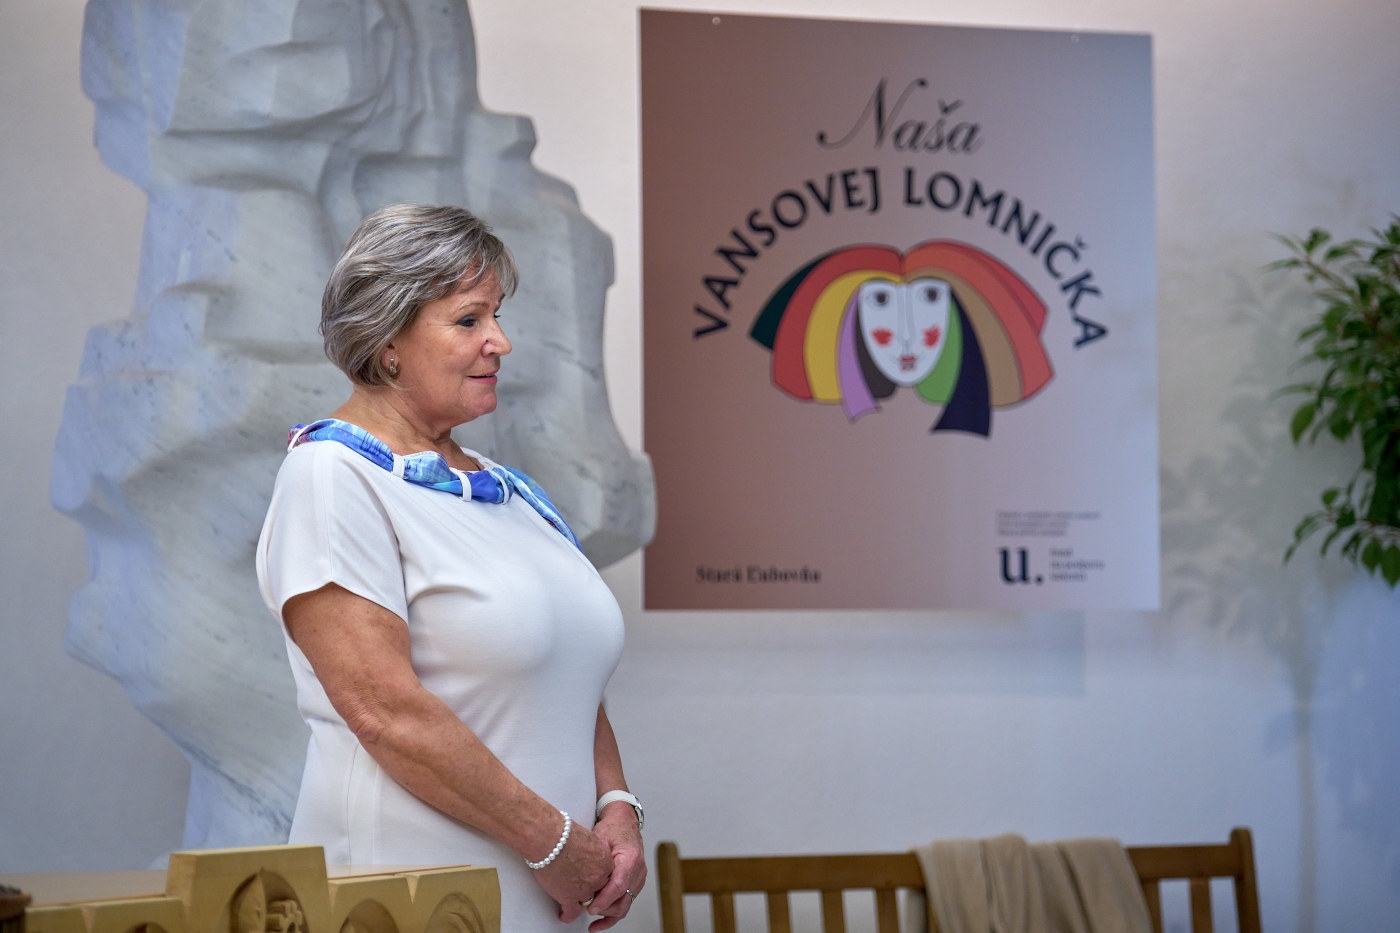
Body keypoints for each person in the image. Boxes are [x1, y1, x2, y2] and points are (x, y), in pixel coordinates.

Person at [255, 204, 645, 931]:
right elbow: (384, 712)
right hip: (403, 901)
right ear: (388, 342)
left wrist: (616, 806)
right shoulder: (332, 476)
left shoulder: (509, 491)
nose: (500, 341)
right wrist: (553, 842)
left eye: (496, 316)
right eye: (469, 320)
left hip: (549, 898)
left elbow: (564, 676)